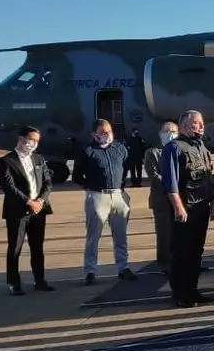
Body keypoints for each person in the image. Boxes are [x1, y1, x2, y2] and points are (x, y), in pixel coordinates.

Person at [161, 110, 214, 308]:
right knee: (181, 252)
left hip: (201, 208)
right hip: (185, 210)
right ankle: (180, 294)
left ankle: (193, 291)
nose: (201, 126)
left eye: (202, 123)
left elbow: (209, 179)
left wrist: (213, 203)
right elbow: (170, 183)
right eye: (196, 123)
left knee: (196, 252)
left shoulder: (201, 146)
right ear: (185, 125)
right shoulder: (174, 148)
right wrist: (178, 208)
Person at [73, 118, 136, 285]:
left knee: (120, 235)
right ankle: (90, 270)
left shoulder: (120, 149)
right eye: (102, 132)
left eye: (109, 131)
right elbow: (77, 177)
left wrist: (121, 188)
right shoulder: (87, 151)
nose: (107, 135)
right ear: (94, 134)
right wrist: (91, 187)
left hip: (118, 195)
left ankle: (123, 267)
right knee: (94, 235)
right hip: (97, 195)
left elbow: (125, 168)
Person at [0, 126, 53, 295]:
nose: (33, 144)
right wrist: (28, 202)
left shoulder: (38, 159)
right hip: (18, 211)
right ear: (22, 139)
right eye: (31, 140)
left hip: (38, 211)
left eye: (36, 141)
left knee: (37, 247)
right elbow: (9, 187)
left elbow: (47, 182)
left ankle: (40, 280)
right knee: (15, 247)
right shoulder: (6, 161)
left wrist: (40, 201)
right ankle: (14, 283)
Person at [144, 121, 178, 274]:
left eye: (173, 131)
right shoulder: (152, 152)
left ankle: (181, 261)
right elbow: (153, 175)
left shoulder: (179, 151)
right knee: (164, 233)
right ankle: (164, 263)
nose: (170, 134)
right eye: (167, 131)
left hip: (179, 200)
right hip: (162, 199)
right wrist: (171, 188)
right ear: (160, 134)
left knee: (179, 233)